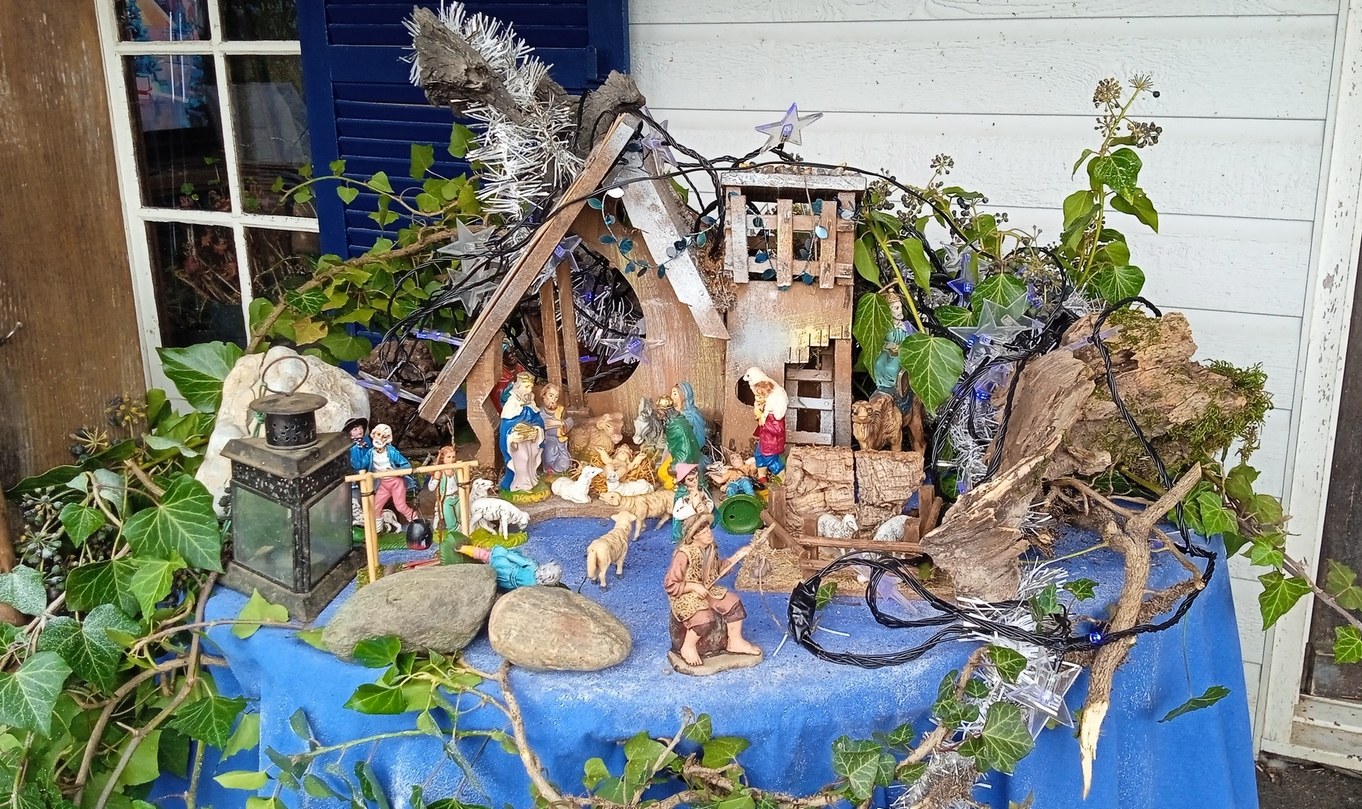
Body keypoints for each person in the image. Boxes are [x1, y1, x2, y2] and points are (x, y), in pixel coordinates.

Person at [663, 514, 760, 667]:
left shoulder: (710, 548)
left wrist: (738, 555)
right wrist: (693, 586)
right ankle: (688, 646)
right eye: (704, 533)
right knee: (704, 618)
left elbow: (716, 570)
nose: (709, 534)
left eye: (709, 530)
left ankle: (735, 641)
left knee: (733, 603)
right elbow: (671, 585)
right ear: (694, 536)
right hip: (685, 594)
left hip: (707, 589)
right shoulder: (684, 554)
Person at [350, 423, 418, 523]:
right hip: (383, 484)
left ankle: (415, 522)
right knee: (376, 508)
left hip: (396, 483)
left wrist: (395, 472)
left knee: (400, 506)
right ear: (373, 435)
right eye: (378, 434)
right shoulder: (371, 452)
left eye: (384, 436)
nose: (380, 438)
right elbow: (360, 465)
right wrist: (350, 458)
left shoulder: (391, 452)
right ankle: (378, 529)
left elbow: (406, 465)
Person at [498, 372, 545, 491]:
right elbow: (505, 429)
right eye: (526, 387)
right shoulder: (511, 405)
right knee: (522, 460)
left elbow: (538, 420)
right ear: (518, 387)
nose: (529, 390)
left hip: (530, 442)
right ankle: (517, 485)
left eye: (531, 387)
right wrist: (512, 437)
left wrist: (537, 430)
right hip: (517, 446)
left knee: (530, 460)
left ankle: (530, 481)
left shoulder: (531, 404)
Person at [872, 292, 914, 396]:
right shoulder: (886, 327)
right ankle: (882, 386)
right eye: (896, 308)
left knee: (894, 368)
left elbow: (913, 341)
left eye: (900, 307)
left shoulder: (906, 326)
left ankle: (896, 388)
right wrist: (889, 346)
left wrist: (902, 347)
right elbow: (879, 341)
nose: (900, 311)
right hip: (888, 351)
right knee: (878, 363)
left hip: (902, 353)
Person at [671, 462, 713, 544]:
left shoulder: (701, 488)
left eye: (696, 477)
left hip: (702, 524)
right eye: (691, 479)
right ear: (683, 481)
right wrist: (692, 508)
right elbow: (677, 514)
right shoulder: (682, 494)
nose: (695, 481)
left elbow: (709, 501)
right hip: (688, 525)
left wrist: (706, 507)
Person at [539, 383, 574, 474]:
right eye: (551, 396)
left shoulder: (561, 410)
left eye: (556, 397)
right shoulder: (539, 412)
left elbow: (570, 421)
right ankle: (549, 471)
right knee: (550, 452)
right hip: (547, 440)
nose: (553, 400)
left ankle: (557, 471)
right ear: (544, 396)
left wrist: (560, 423)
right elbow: (540, 425)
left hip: (560, 441)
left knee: (564, 463)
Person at [428, 444, 462, 536]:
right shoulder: (439, 471)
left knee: (460, 517)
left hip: (458, 497)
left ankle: (461, 532)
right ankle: (454, 534)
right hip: (446, 499)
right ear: (443, 458)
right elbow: (431, 488)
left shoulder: (456, 469)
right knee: (450, 519)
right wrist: (436, 479)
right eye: (449, 457)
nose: (451, 459)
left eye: (453, 457)